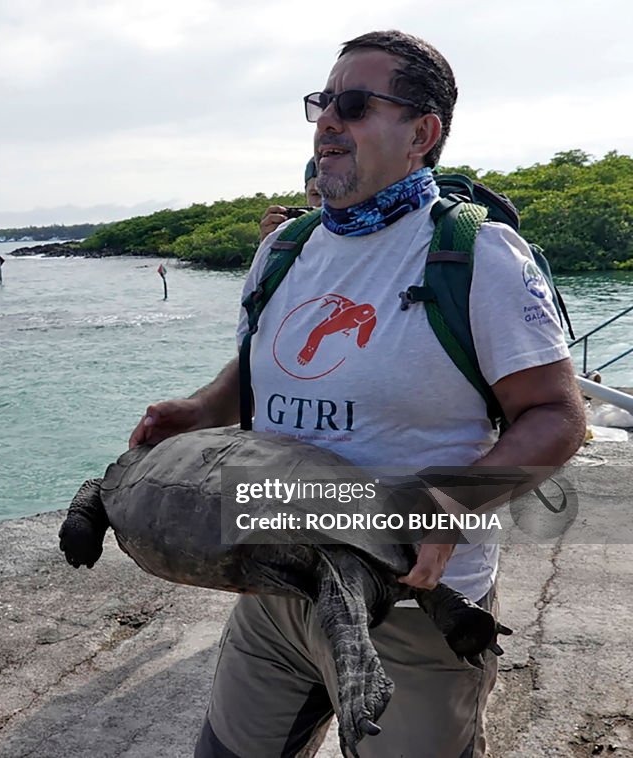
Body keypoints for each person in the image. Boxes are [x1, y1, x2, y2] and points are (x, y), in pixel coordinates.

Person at [129, 30, 586, 758]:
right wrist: (204, 408)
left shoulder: (475, 254)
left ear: (421, 133)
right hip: (275, 588)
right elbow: (254, 367)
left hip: (412, 609)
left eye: (354, 104)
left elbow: (558, 416)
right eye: (321, 103)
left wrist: (451, 501)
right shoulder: (284, 250)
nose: (327, 121)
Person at [259, 158, 322, 241]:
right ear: (306, 194)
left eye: (335, 195)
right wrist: (268, 242)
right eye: (316, 194)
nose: (323, 202)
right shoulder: (293, 231)